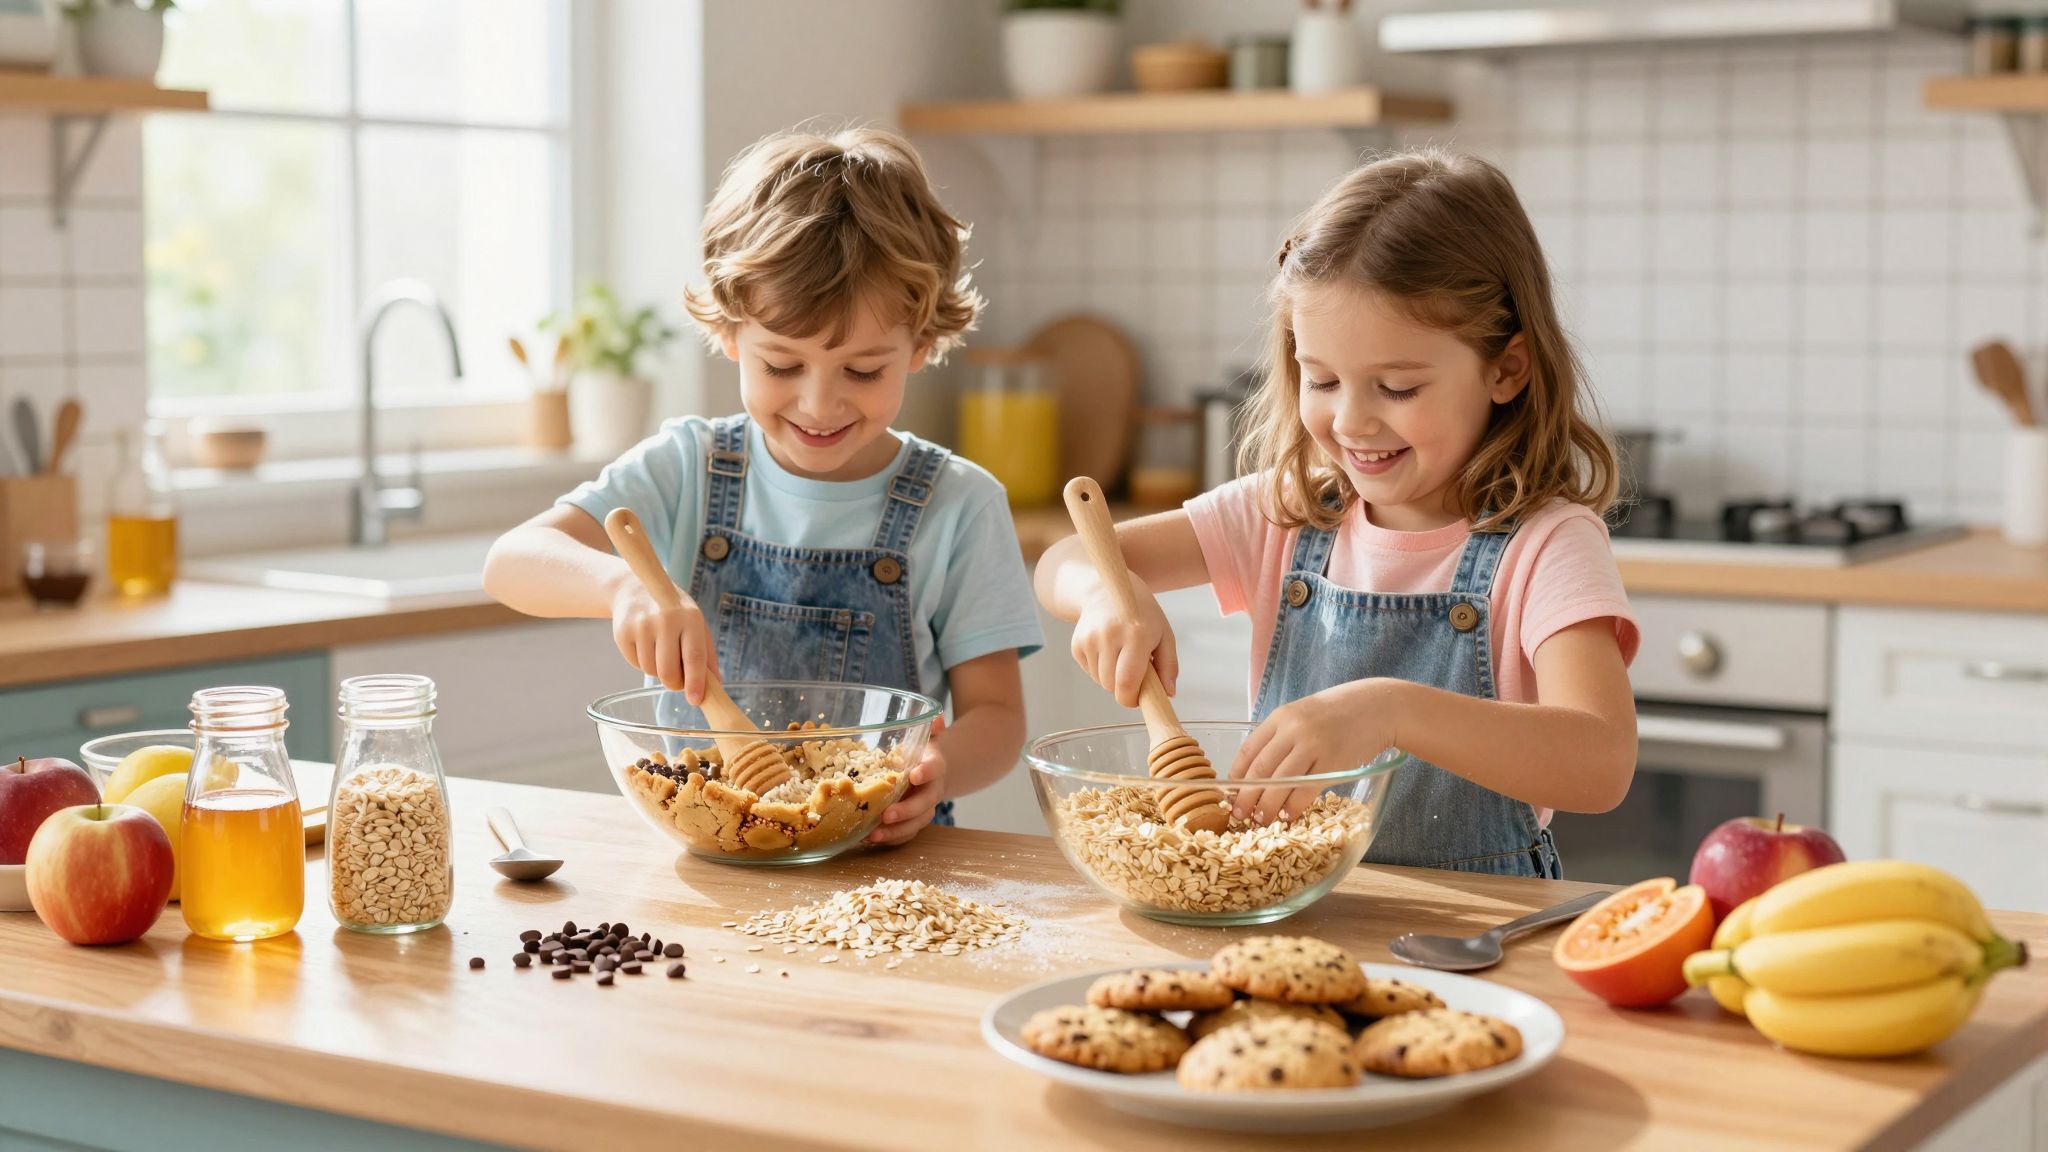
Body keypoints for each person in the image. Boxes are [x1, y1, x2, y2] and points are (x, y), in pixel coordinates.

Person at [1035, 149, 1639, 878]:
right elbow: (1064, 560)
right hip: (1296, 913)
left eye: (1397, 388)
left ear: (1506, 369)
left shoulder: (1547, 546)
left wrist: (1390, 711)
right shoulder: (1286, 515)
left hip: (1477, 937)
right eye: (1320, 379)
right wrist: (1110, 593)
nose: (1352, 422)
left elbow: (1601, 762)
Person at [487, 128, 1042, 845]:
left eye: (864, 371)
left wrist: (934, 768)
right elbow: (512, 562)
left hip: (886, 871)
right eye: (782, 366)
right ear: (728, 334)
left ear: (923, 344)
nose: (819, 403)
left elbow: (998, 718)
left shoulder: (960, 505)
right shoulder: (689, 467)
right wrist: (620, 588)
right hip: (707, 865)